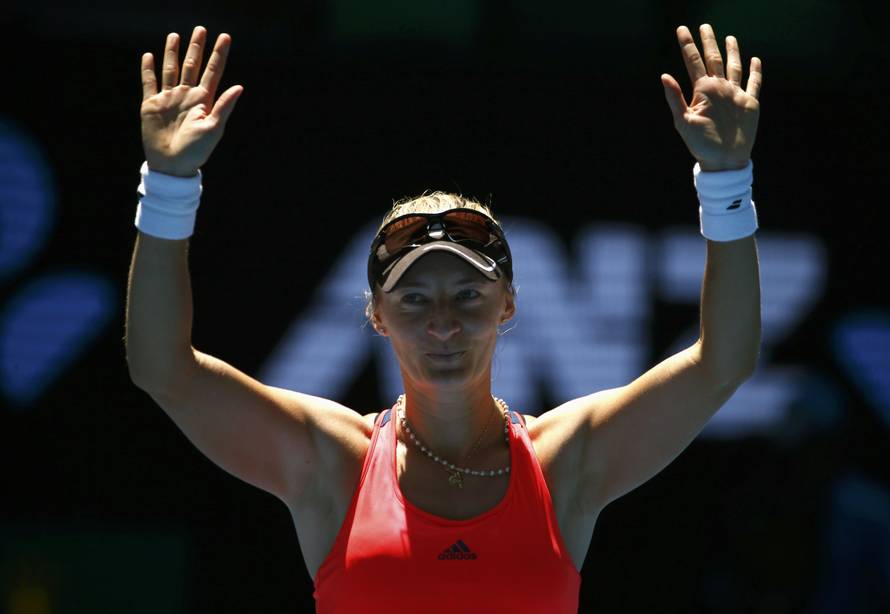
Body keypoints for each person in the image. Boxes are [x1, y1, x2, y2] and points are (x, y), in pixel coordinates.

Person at [125, 23, 762, 613]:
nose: (442, 323)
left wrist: (726, 180)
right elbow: (163, 370)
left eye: (466, 295)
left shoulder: (566, 461)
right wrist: (170, 184)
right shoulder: (332, 461)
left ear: (507, 303)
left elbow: (721, 364)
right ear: (377, 316)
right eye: (413, 299)